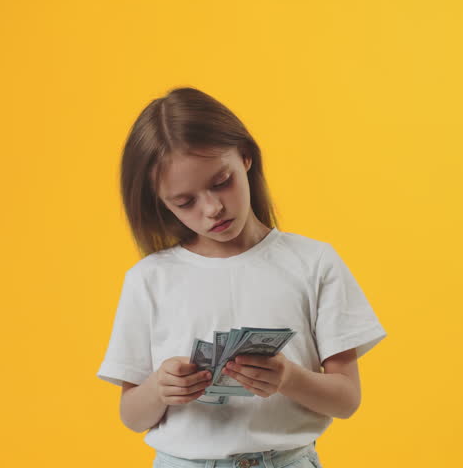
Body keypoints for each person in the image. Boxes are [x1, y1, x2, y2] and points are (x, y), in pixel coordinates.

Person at [97, 86, 387, 468]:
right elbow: (132, 416)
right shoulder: (149, 279)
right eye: (185, 202)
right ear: (162, 204)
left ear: (246, 157)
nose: (213, 208)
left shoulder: (313, 262)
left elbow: (347, 399)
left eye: (221, 182)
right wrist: (159, 388)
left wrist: (288, 378)